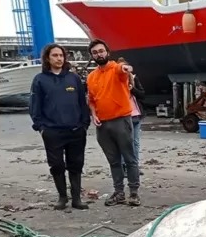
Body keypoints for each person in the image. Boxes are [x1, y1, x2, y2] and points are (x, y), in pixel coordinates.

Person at [28, 43, 90, 210]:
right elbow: (35, 105)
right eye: (55, 55)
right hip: (52, 131)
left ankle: (76, 198)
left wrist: (84, 124)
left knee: (76, 164)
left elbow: (82, 104)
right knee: (57, 165)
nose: (59, 58)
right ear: (48, 58)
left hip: (76, 130)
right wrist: (40, 127)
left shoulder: (73, 78)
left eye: (61, 55)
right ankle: (62, 197)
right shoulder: (40, 80)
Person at [85, 39, 141, 207]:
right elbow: (92, 100)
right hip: (103, 124)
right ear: (92, 56)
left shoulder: (116, 69)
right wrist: (93, 115)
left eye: (101, 51)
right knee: (113, 161)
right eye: (95, 52)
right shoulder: (91, 77)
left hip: (121, 120)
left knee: (130, 158)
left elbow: (123, 70)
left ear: (107, 52)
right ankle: (119, 192)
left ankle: (134, 192)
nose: (98, 54)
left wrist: (127, 68)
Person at [116, 57, 146, 177]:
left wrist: (132, 88)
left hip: (136, 115)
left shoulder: (134, 79)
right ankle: (124, 166)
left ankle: (134, 166)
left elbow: (142, 94)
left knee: (135, 142)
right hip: (123, 116)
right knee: (125, 143)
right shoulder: (116, 82)